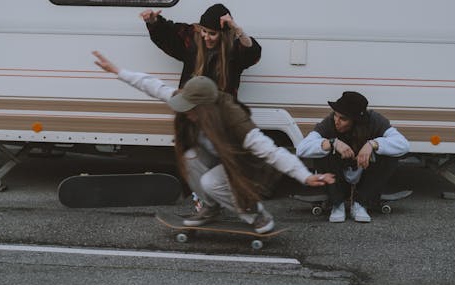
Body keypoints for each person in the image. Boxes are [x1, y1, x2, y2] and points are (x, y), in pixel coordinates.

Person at [92, 50, 335, 233]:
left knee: (210, 182)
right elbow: (154, 86)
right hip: (218, 157)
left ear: (206, 108)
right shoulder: (190, 99)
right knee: (190, 157)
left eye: (191, 109)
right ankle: (210, 208)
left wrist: (305, 176)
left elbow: (271, 151)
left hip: (245, 166)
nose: (185, 112)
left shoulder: (234, 120)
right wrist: (118, 72)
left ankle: (255, 213)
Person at [296, 91, 409, 224]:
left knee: (390, 155)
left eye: (343, 119)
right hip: (338, 173)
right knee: (320, 150)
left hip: (365, 171)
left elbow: (404, 145)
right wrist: (332, 143)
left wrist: (373, 144)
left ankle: (361, 202)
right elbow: (301, 149)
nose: (336, 121)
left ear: (356, 121)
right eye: (335, 116)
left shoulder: (374, 120)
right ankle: (337, 203)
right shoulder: (330, 122)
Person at [139, 3, 261, 99]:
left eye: (212, 34)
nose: (206, 37)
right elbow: (168, 35)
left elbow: (252, 53)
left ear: (223, 35)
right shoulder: (192, 39)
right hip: (191, 110)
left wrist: (237, 29)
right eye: (204, 31)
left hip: (221, 114)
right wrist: (153, 22)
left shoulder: (233, 50)